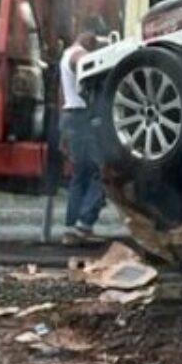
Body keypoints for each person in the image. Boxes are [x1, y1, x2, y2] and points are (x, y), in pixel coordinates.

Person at [59, 31, 106, 245]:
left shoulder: (65, 54)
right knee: (102, 172)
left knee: (81, 174)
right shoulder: (78, 54)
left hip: (70, 116)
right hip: (81, 117)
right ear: (86, 36)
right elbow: (83, 65)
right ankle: (84, 223)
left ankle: (72, 227)